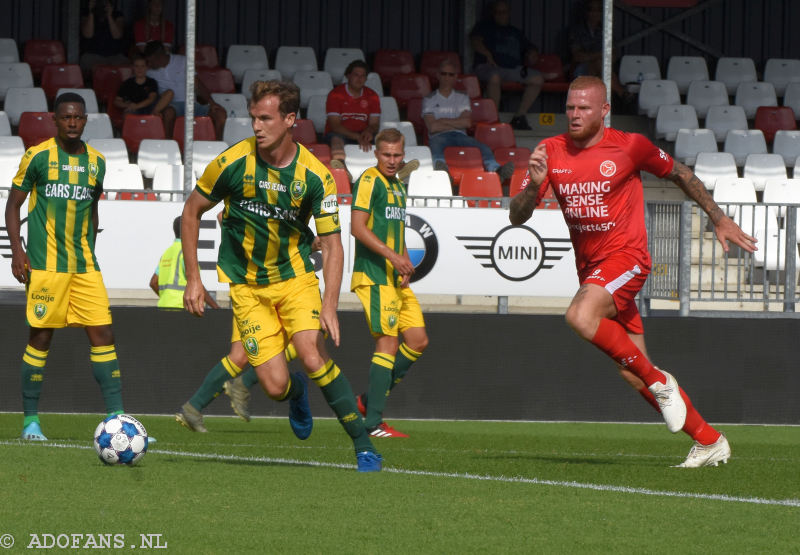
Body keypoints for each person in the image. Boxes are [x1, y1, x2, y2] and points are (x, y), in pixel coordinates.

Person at [509, 76, 758, 468]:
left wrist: (718, 217)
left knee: (579, 315)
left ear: (604, 111)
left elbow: (680, 173)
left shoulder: (630, 146)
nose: (574, 115)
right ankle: (710, 440)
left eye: (584, 108)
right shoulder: (548, 152)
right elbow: (517, 215)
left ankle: (662, 384)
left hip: (628, 259)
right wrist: (532, 187)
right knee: (633, 372)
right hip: (593, 270)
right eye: (570, 108)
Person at [181, 80, 382, 472]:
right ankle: (296, 393)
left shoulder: (315, 176)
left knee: (311, 353)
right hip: (247, 288)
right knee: (274, 387)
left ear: (290, 120)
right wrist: (194, 277)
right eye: (254, 118)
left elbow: (333, 244)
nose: (256, 126)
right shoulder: (231, 163)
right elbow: (192, 211)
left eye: (266, 118)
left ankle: (363, 446)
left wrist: (330, 305)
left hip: (295, 279)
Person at [5, 93, 128, 441]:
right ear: (55, 120)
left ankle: (119, 422)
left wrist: (90, 244)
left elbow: (92, 208)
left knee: (103, 334)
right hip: (46, 266)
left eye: (78, 117)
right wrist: (18, 251)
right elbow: (13, 206)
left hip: (85, 265)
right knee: (41, 338)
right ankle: (31, 422)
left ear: (85, 120)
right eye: (66, 117)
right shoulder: (37, 156)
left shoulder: (97, 162)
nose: (72, 123)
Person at [350, 128, 429, 438]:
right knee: (388, 343)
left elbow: (395, 229)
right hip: (374, 275)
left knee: (418, 340)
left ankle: (369, 400)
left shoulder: (397, 186)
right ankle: (372, 424)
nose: (393, 161)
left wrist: (405, 260)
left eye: (398, 155)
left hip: (395, 278)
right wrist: (392, 258)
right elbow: (357, 228)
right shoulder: (369, 181)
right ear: (376, 153)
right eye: (387, 155)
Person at [423, 60, 515, 184]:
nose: (447, 77)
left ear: (455, 77)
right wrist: (456, 121)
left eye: (450, 74)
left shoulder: (462, 97)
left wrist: (442, 121)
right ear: (438, 75)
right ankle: (443, 175)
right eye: (444, 74)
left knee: (484, 148)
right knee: (436, 149)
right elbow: (433, 127)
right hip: (438, 136)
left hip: (460, 135)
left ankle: (496, 170)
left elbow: (466, 123)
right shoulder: (429, 99)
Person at [469, 0, 543, 130]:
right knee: (495, 77)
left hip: (512, 69)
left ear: (509, 13)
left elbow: (530, 48)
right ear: (493, 13)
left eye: (504, 12)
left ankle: (519, 117)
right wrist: (487, 54)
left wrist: (533, 54)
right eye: (498, 12)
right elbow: (475, 41)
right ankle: (494, 118)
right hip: (488, 66)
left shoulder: (514, 32)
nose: (501, 15)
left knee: (537, 78)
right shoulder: (484, 27)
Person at [143, 40, 227, 141]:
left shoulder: (183, 61)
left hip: (193, 105)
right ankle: (169, 145)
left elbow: (198, 85)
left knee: (220, 113)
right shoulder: (149, 72)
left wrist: (211, 103)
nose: (149, 64)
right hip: (172, 106)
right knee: (168, 112)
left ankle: (218, 146)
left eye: (151, 61)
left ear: (159, 57)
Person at [149, 216, 219, 310]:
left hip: (163, 307)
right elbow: (196, 283)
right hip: (181, 307)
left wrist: (167, 298)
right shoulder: (186, 252)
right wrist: (216, 307)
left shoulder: (167, 253)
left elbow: (153, 282)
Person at [568, 0, 628, 102]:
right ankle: (622, 93)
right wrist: (601, 55)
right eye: (591, 10)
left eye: (599, 10)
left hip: (601, 71)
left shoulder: (606, 30)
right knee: (601, 64)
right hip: (579, 70)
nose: (595, 13)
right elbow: (578, 57)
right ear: (586, 12)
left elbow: (613, 55)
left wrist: (594, 57)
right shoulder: (576, 30)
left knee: (602, 67)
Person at [79, 0, 129, 79]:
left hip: (115, 56)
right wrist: (91, 12)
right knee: (93, 67)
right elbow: (87, 34)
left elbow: (117, 35)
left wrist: (109, 15)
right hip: (92, 55)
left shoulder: (117, 14)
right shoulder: (86, 14)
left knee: (126, 69)